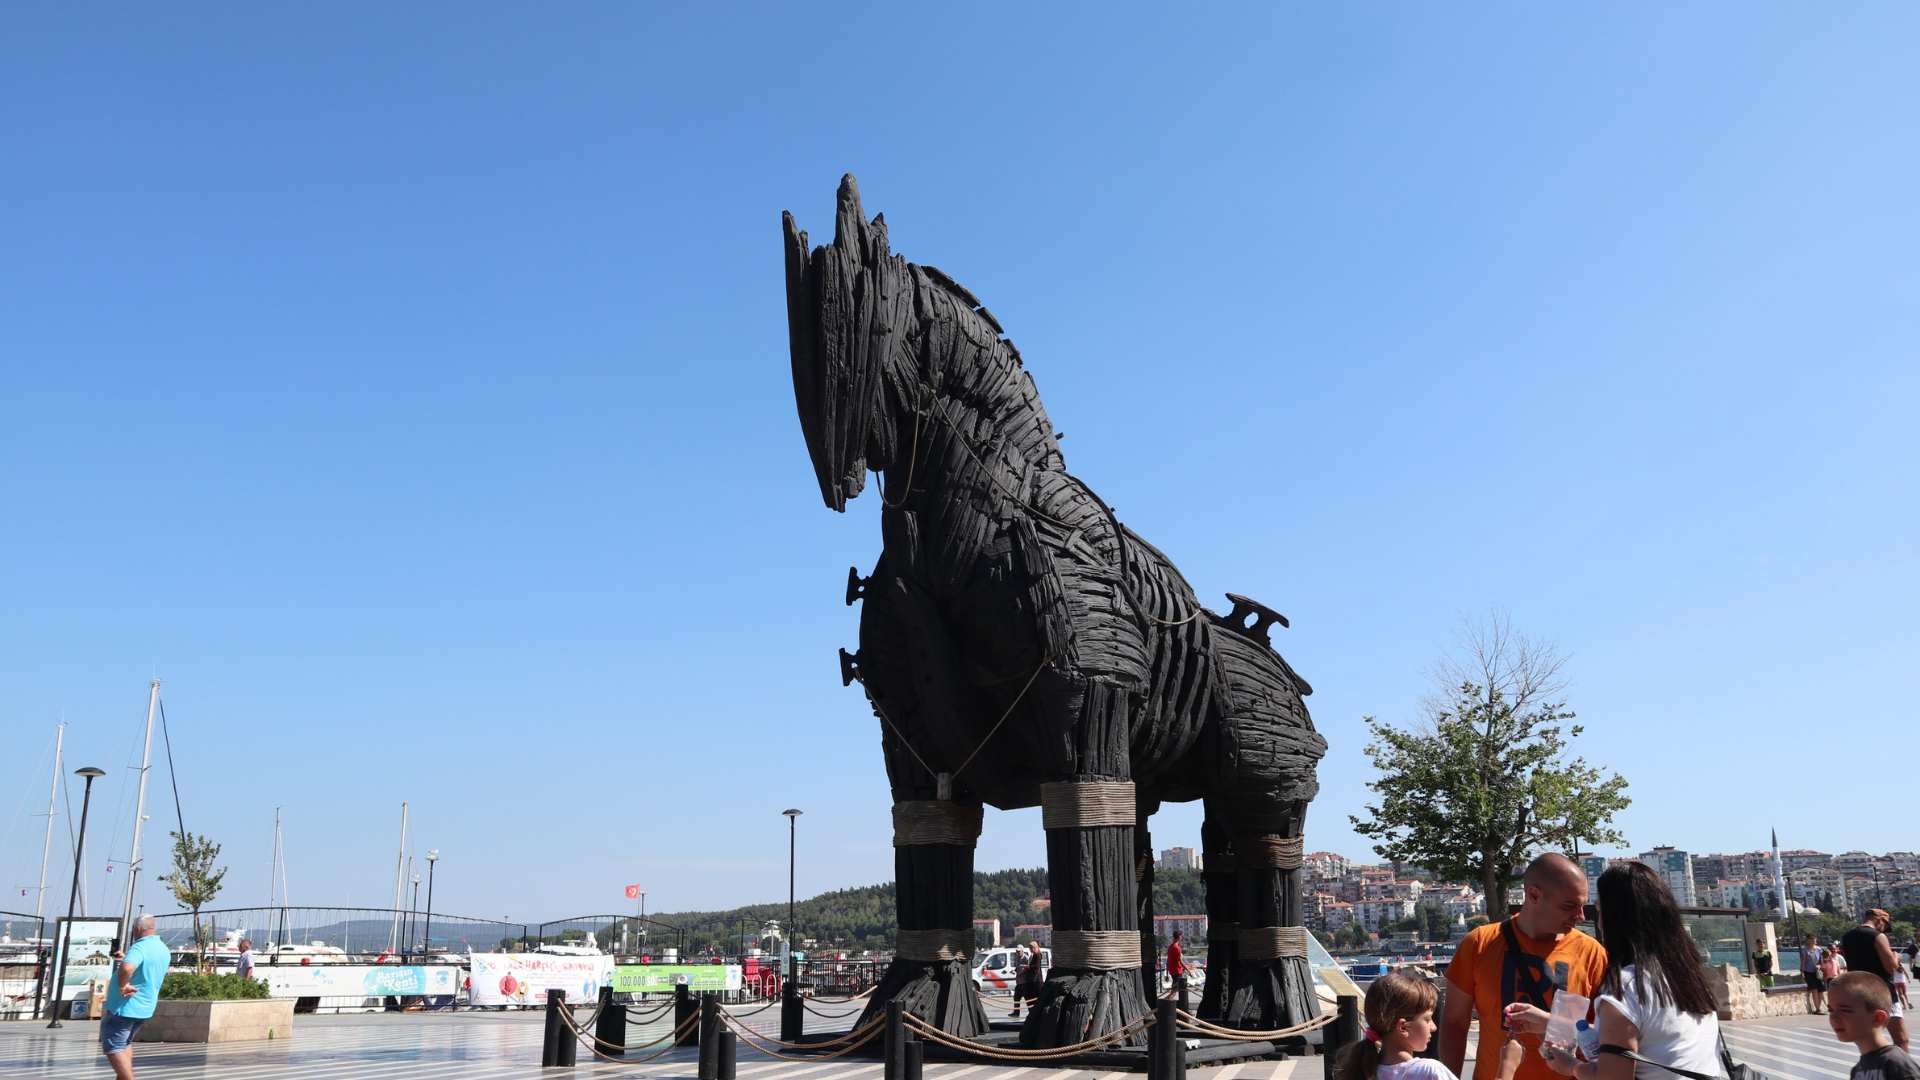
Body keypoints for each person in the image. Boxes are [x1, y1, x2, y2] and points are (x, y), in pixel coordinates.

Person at [1514, 862, 1725, 1080]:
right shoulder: (1687, 977)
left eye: (1599, 910)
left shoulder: (1626, 988)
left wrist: (1571, 1067)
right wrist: (1554, 1023)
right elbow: (1648, 1036)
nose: (1589, 919)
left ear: (1616, 918)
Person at [1440, 854, 1608, 1080]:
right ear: (1534, 895)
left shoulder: (1592, 953)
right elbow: (1454, 1024)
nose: (1580, 916)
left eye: (1582, 905)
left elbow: (1606, 1037)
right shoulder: (1480, 943)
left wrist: (1551, 1023)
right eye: (1569, 906)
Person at [1335, 970, 1462, 1080]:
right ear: (1403, 1027)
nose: (1434, 1027)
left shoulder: (1363, 1071)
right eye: (1427, 1019)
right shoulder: (1429, 1071)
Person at [102, 913, 172, 1080]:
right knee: (124, 1044)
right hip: (144, 1006)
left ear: (138, 929)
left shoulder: (140, 947)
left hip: (125, 1006)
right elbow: (144, 969)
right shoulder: (162, 948)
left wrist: (122, 986)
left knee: (114, 1047)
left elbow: (127, 969)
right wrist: (125, 958)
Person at [1830, 970, 1920, 1079]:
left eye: (1845, 1010)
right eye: (1831, 1010)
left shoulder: (1896, 1064)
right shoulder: (1858, 1070)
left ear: (1878, 1018)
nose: (1833, 1017)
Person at [1844, 909, 1909, 1052]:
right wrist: (1896, 957)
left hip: (1859, 991)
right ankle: (1902, 1072)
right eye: (1885, 925)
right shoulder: (1878, 936)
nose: (1884, 929)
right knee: (1901, 1039)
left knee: (1869, 1040)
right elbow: (1890, 967)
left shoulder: (1847, 937)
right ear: (1879, 919)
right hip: (1882, 991)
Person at [1806, 933, 1831, 1014]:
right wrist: (1802, 972)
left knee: (1821, 990)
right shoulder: (1805, 950)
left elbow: (1821, 961)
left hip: (1817, 972)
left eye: (1815, 939)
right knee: (1814, 990)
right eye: (1813, 939)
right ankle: (1817, 1009)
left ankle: (1819, 1007)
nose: (1814, 940)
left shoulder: (1819, 949)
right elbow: (1803, 962)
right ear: (1809, 940)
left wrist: (1819, 966)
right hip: (1809, 972)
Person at [1167, 929, 1189, 1012]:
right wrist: (1188, 970)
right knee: (1174, 991)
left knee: (1175, 989)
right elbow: (1180, 961)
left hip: (1172, 970)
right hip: (1177, 971)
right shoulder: (1177, 948)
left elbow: (1170, 960)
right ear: (1179, 937)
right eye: (1181, 936)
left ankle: (1167, 1005)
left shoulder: (1170, 947)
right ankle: (1165, 1005)